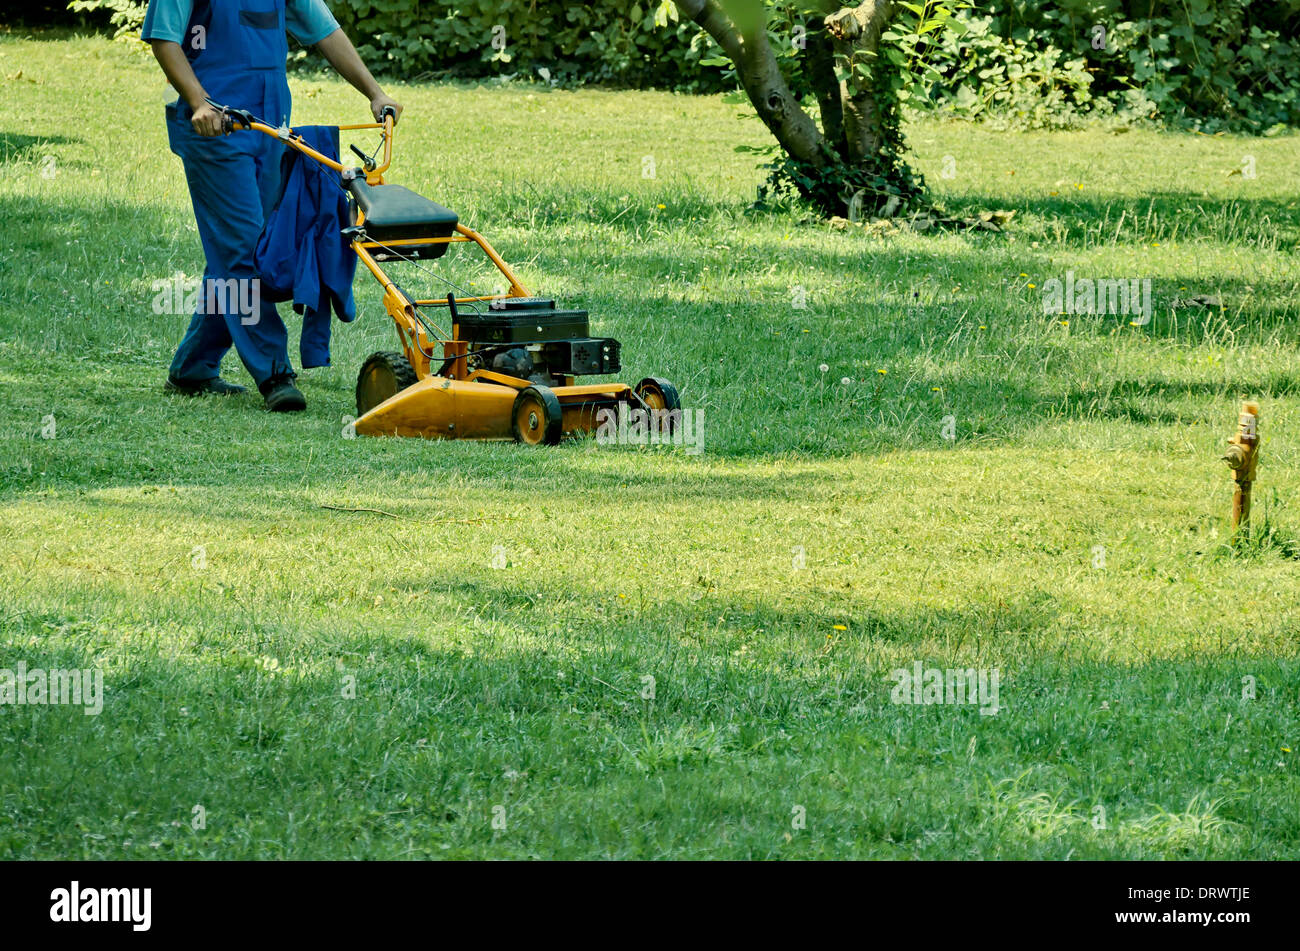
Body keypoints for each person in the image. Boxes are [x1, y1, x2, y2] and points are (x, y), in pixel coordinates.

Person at [143, 0, 402, 411]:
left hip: (270, 124)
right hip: (213, 126)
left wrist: (375, 91)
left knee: (246, 250)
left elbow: (325, 31)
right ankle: (274, 371)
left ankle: (193, 367)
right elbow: (164, 39)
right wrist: (197, 100)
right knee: (243, 250)